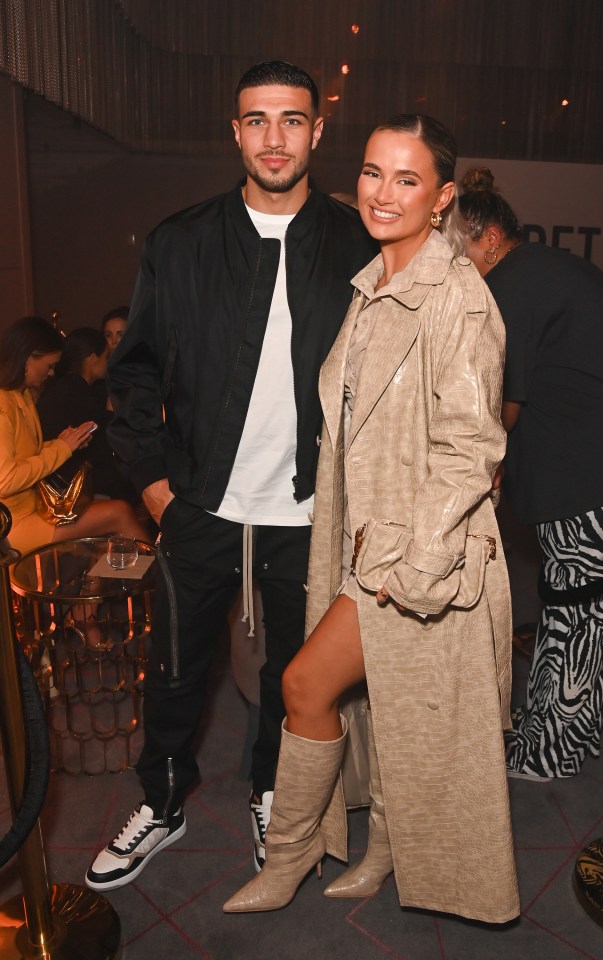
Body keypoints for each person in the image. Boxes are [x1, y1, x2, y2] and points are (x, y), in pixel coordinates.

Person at [85, 60, 378, 892]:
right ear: (236, 131)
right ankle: (165, 802)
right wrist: (154, 491)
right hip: (198, 504)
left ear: (318, 131)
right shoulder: (180, 242)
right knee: (174, 671)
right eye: (257, 120)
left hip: (311, 510)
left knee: (293, 678)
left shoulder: (360, 243)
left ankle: (273, 796)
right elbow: (132, 375)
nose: (274, 138)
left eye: (292, 120)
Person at [223, 115, 519, 922]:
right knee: (387, 704)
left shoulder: (455, 297)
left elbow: (471, 449)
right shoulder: (375, 285)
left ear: (442, 197)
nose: (382, 193)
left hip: (419, 552)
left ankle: (286, 862)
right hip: (360, 538)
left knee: (303, 682)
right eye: (372, 172)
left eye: (407, 179)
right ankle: (382, 845)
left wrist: (410, 568)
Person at [459, 167, 603, 780]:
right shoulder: (545, 268)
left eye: (456, 246)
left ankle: (549, 754)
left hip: (594, 480)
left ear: (485, 237)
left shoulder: (510, 287)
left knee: (579, 616)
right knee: (582, 612)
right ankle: (560, 739)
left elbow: (501, 410)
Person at [0, 316, 148, 559]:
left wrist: (64, 442)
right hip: (15, 525)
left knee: (110, 535)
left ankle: (101, 588)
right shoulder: (4, 404)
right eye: (49, 366)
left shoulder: (21, 396)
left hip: (35, 509)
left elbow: (25, 455)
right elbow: (6, 480)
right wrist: (61, 448)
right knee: (120, 512)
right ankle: (168, 585)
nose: (50, 374)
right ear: (28, 358)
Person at [37, 327, 137, 503]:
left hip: (60, 480)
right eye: (106, 357)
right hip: (66, 488)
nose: (108, 362)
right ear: (92, 359)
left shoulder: (67, 387)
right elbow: (100, 447)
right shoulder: (76, 391)